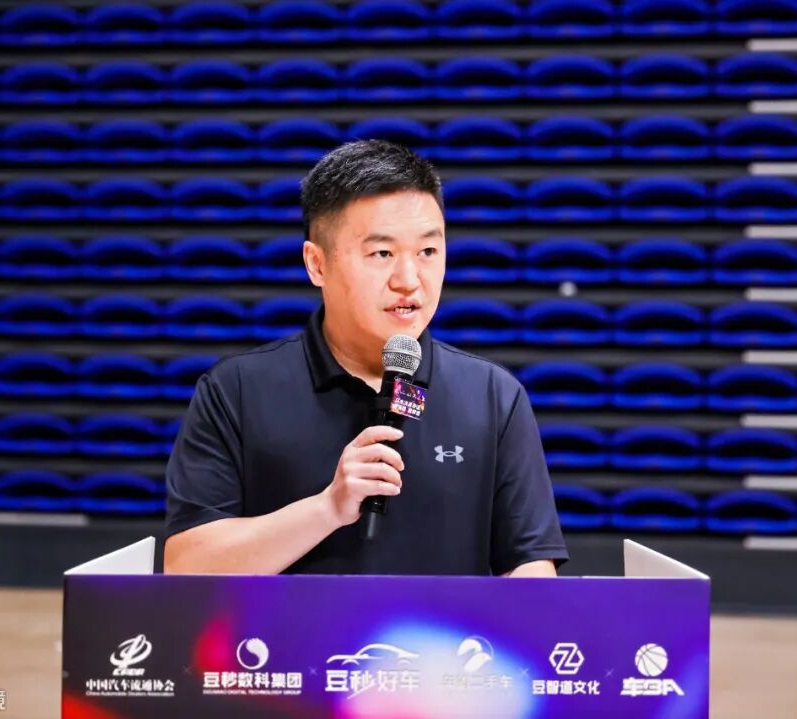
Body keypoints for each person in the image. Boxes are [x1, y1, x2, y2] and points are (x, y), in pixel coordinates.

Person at [164, 141, 567, 577]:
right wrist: (327, 508)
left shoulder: (492, 396)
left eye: (428, 252)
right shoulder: (237, 391)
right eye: (382, 254)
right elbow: (186, 566)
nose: (409, 280)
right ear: (317, 264)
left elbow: (531, 574)